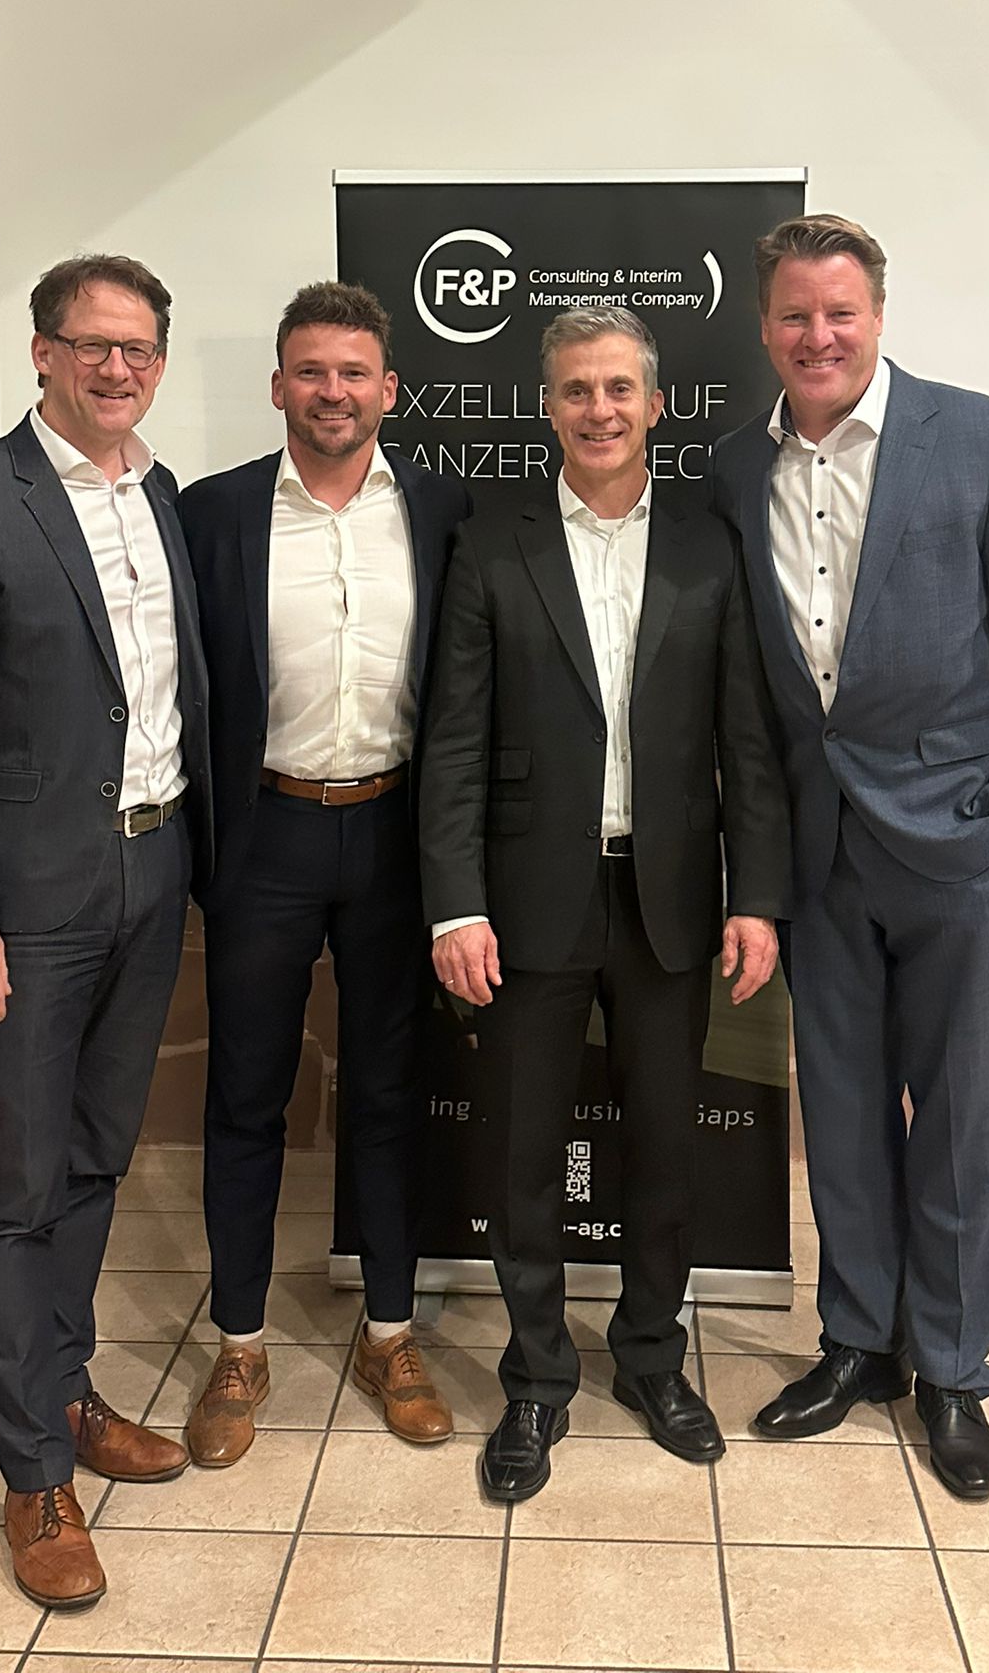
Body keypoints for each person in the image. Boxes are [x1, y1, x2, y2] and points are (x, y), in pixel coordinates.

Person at [711, 214, 989, 1501]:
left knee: (956, 1121)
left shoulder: (984, 437)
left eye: (840, 312)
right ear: (764, 326)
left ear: (877, 315)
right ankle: (859, 1342)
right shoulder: (736, 466)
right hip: (819, 850)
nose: (817, 335)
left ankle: (953, 1368)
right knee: (842, 1112)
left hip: (958, 843)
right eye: (794, 314)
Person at [0, 254, 212, 1608]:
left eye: (138, 349)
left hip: (152, 874)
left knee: (91, 1159)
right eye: (92, 345)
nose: (116, 368)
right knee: (13, 1189)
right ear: (42, 352)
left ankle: (66, 1394)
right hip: (24, 906)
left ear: (160, 364)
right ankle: (32, 1473)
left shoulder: (162, 496)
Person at [420, 306, 788, 1504]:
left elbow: (747, 738)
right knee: (521, 1153)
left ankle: (650, 1357)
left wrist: (757, 894)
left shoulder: (709, 544)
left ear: (656, 404)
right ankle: (536, 1376)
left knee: (667, 1149)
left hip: (672, 898)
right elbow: (453, 741)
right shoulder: (492, 542)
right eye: (577, 389)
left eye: (619, 387)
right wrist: (454, 904)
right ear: (547, 406)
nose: (599, 409)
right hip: (528, 900)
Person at [179, 282, 469, 1466]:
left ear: (390, 388)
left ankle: (391, 1331)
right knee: (246, 1092)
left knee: (390, 1091)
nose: (332, 391)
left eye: (353, 372)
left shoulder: (445, 509)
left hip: (399, 835)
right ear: (278, 385)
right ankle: (239, 1341)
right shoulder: (213, 512)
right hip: (266, 835)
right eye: (311, 370)